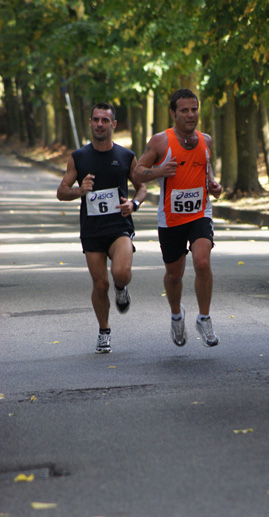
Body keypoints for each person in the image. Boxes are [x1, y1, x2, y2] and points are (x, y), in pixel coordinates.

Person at [133, 88, 222, 347]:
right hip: (170, 218)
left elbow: (207, 171)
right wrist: (159, 170)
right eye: (184, 110)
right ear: (173, 113)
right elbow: (137, 173)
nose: (190, 114)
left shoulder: (206, 140)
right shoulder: (161, 142)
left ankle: (204, 318)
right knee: (174, 275)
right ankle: (176, 316)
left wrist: (213, 184)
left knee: (202, 262)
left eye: (194, 109)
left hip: (199, 213)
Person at [57, 102, 147, 354]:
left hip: (119, 225)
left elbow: (141, 187)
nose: (99, 124)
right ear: (90, 122)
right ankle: (104, 331)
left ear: (113, 124)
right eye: (96, 119)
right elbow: (61, 191)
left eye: (105, 120)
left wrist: (134, 203)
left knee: (121, 272)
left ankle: (122, 289)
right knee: (99, 285)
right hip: (92, 230)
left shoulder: (126, 156)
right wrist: (79, 190)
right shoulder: (79, 157)